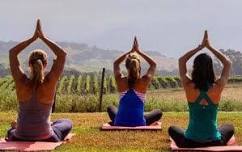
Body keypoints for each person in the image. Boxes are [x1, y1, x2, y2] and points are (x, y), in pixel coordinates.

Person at [7, 19, 72, 142]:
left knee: (11, 131)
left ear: (29, 64)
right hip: (47, 137)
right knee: (66, 122)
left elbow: (12, 53)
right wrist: (43, 37)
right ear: (45, 64)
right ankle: (48, 125)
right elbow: (62, 54)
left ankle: (18, 126)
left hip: (20, 135)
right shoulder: (50, 81)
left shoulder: (21, 81)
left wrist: (33, 38)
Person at [168, 31, 234, 148]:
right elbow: (227, 63)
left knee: (172, 129)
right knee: (229, 127)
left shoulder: (188, 86)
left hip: (189, 142)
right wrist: (209, 47)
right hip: (214, 141)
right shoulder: (217, 87)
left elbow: (181, 60)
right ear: (211, 68)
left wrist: (199, 48)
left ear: (195, 68)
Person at [107, 37, 162, 127]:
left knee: (110, 108)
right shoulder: (144, 81)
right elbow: (153, 64)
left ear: (126, 66)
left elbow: (116, 63)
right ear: (139, 66)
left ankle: (122, 118)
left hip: (119, 122)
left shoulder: (120, 80)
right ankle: (138, 116)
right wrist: (138, 51)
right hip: (139, 122)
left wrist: (130, 51)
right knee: (158, 112)